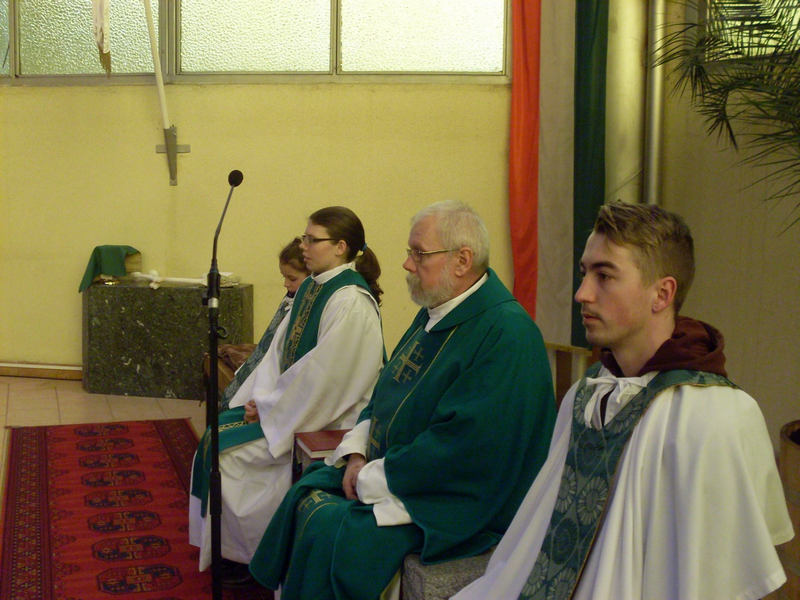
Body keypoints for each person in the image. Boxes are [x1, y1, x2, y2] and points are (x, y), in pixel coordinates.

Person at [452, 201, 794, 600]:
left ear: (662, 293)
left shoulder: (716, 416)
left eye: (605, 276)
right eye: (584, 273)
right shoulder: (586, 395)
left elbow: (727, 580)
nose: (582, 293)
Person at [248, 200, 557, 600]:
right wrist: (357, 453)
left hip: (454, 501)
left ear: (462, 260)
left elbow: (465, 449)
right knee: (305, 492)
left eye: (419, 254)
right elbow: (386, 390)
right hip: (396, 469)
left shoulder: (506, 335)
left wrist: (371, 477)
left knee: (330, 528)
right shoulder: (436, 311)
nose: (407, 264)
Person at [189, 206, 385, 586]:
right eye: (304, 237)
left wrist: (268, 409)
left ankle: (252, 557)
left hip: (333, 417)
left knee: (230, 458)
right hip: (296, 406)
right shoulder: (313, 287)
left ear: (341, 247)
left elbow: (328, 379)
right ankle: (232, 548)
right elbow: (279, 354)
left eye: (313, 239)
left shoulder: (350, 301)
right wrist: (258, 399)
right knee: (217, 434)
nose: (304, 246)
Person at [213, 237, 310, 408]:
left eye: (292, 278)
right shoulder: (291, 298)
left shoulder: (308, 306)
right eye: (284, 277)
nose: (286, 284)